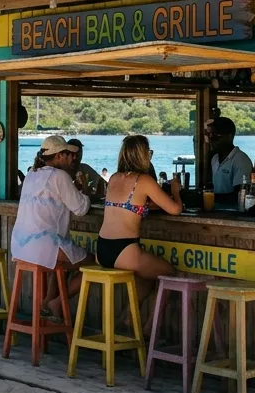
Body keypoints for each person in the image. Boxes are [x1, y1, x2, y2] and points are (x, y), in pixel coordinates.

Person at [10, 136, 92, 319]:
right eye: (68, 154)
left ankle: (47, 303)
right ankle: (55, 303)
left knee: (62, 261)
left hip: (20, 247)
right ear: (60, 156)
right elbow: (81, 208)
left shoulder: (32, 173)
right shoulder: (60, 176)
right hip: (44, 246)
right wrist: (85, 190)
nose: (71, 158)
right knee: (94, 265)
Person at [97, 136, 183, 289]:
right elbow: (175, 210)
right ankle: (150, 314)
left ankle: (128, 313)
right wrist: (176, 191)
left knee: (147, 281)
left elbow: (131, 204)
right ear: (143, 154)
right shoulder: (143, 180)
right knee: (170, 273)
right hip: (125, 250)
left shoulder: (114, 178)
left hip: (102, 249)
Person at [206, 117, 254, 206]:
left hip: (233, 213)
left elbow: (239, 196)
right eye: (209, 135)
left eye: (215, 135)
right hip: (217, 211)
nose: (211, 139)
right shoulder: (214, 159)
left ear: (229, 136)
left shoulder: (241, 160)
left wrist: (210, 197)